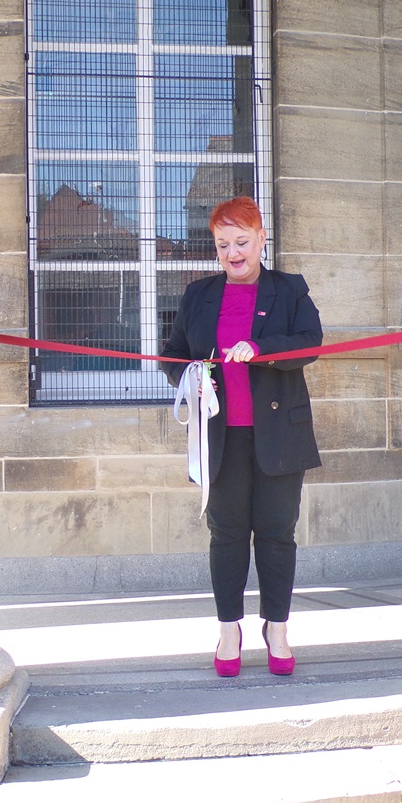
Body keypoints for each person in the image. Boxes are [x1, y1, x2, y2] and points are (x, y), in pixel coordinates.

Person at [160, 196, 323, 677]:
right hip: (220, 440)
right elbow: (172, 358)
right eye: (223, 244)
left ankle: (277, 628)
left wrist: (259, 349)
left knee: (276, 535)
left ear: (261, 239)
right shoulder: (198, 295)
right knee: (226, 535)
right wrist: (189, 374)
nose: (233, 253)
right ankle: (229, 629)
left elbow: (308, 344)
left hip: (279, 436)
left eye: (242, 242)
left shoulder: (289, 289)